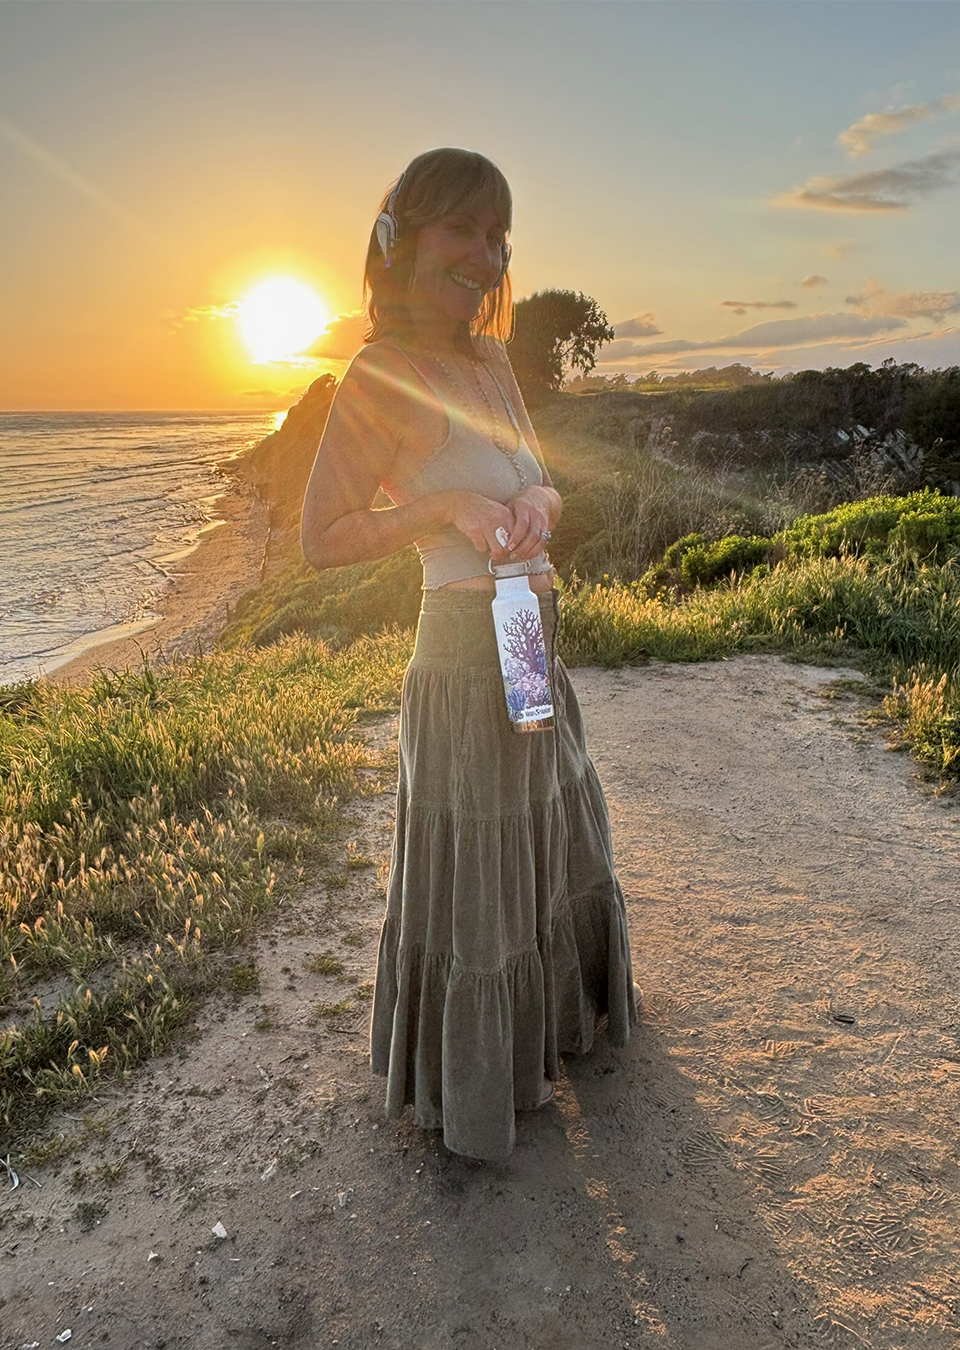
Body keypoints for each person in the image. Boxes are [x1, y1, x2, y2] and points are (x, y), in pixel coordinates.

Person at [301, 147, 638, 1162]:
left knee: (550, 827)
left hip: (530, 629)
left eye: (499, 238)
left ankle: (553, 1034)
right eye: (465, 231)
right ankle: (471, 1086)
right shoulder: (379, 375)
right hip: (457, 647)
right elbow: (322, 537)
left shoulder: (492, 364)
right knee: (478, 871)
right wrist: (440, 507)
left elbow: (542, 480)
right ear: (404, 237)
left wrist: (537, 502)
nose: (487, 257)